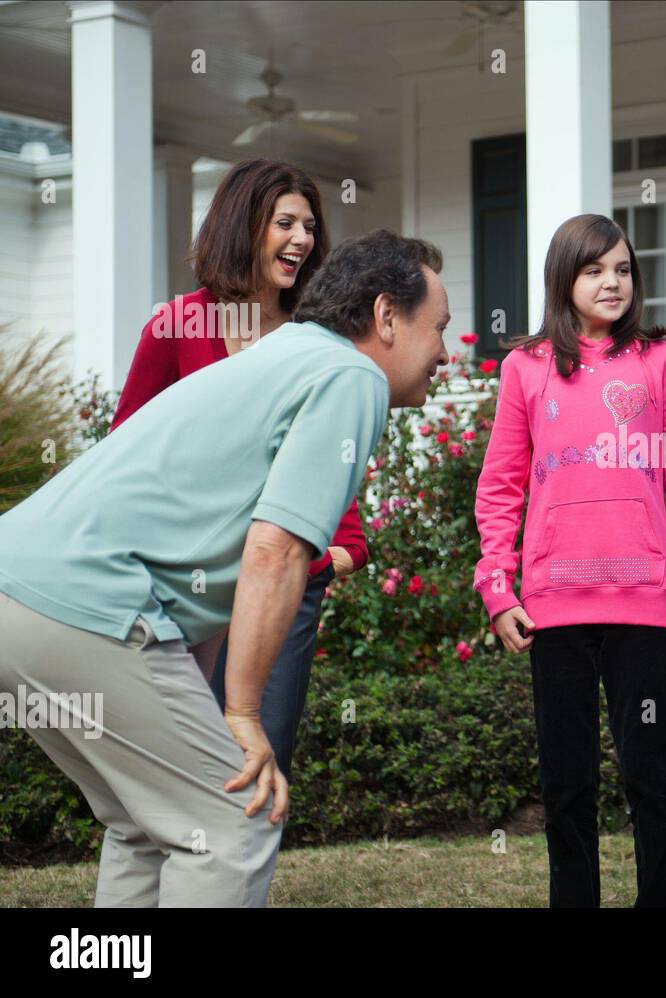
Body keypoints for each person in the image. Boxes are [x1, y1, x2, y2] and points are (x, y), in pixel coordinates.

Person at [0, 229, 450, 906]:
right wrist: (241, 713)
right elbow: (276, 551)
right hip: (86, 604)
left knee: (149, 822)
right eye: (439, 328)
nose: (446, 352)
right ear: (386, 316)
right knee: (232, 820)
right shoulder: (351, 375)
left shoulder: (290, 355)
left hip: (20, 592)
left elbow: (209, 562)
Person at [473, 213, 666, 907]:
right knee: (567, 779)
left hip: (646, 607)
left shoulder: (658, 361)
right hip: (554, 609)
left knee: (649, 775)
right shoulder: (525, 367)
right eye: (594, 270)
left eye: (623, 270)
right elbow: (501, 485)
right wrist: (497, 587)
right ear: (564, 278)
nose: (612, 282)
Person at [110, 158, 367, 782]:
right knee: (176, 763)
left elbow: (333, 458)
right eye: (285, 222)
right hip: (182, 581)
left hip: (280, 576)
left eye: (309, 225)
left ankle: (240, 881)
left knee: (259, 754)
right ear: (243, 225)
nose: (302, 239)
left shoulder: (317, 339)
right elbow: (123, 451)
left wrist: (336, 553)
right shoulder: (176, 326)